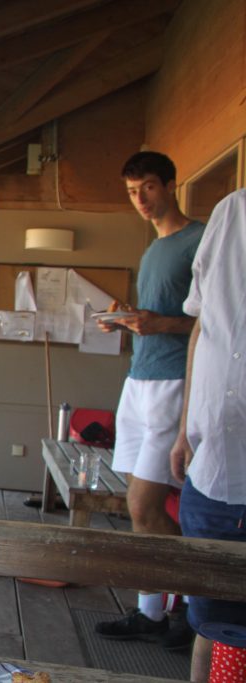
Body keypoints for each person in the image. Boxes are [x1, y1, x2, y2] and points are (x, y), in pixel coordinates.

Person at [94, 152, 202, 651]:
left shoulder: (199, 240)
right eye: (132, 191)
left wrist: (161, 323)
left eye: (149, 188)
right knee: (137, 510)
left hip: (174, 383)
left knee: (144, 504)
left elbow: (215, 318)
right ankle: (151, 612)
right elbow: (158, 317)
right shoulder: (155, 247)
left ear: (172, 185)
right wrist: (126, 318)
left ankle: (199, 607)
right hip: (137, 380)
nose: (140, 199)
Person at [169, 188, 246, 682]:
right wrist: (185, 431)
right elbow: (202, 327)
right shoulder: (233, 211)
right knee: (211, 624)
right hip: (215, 469)